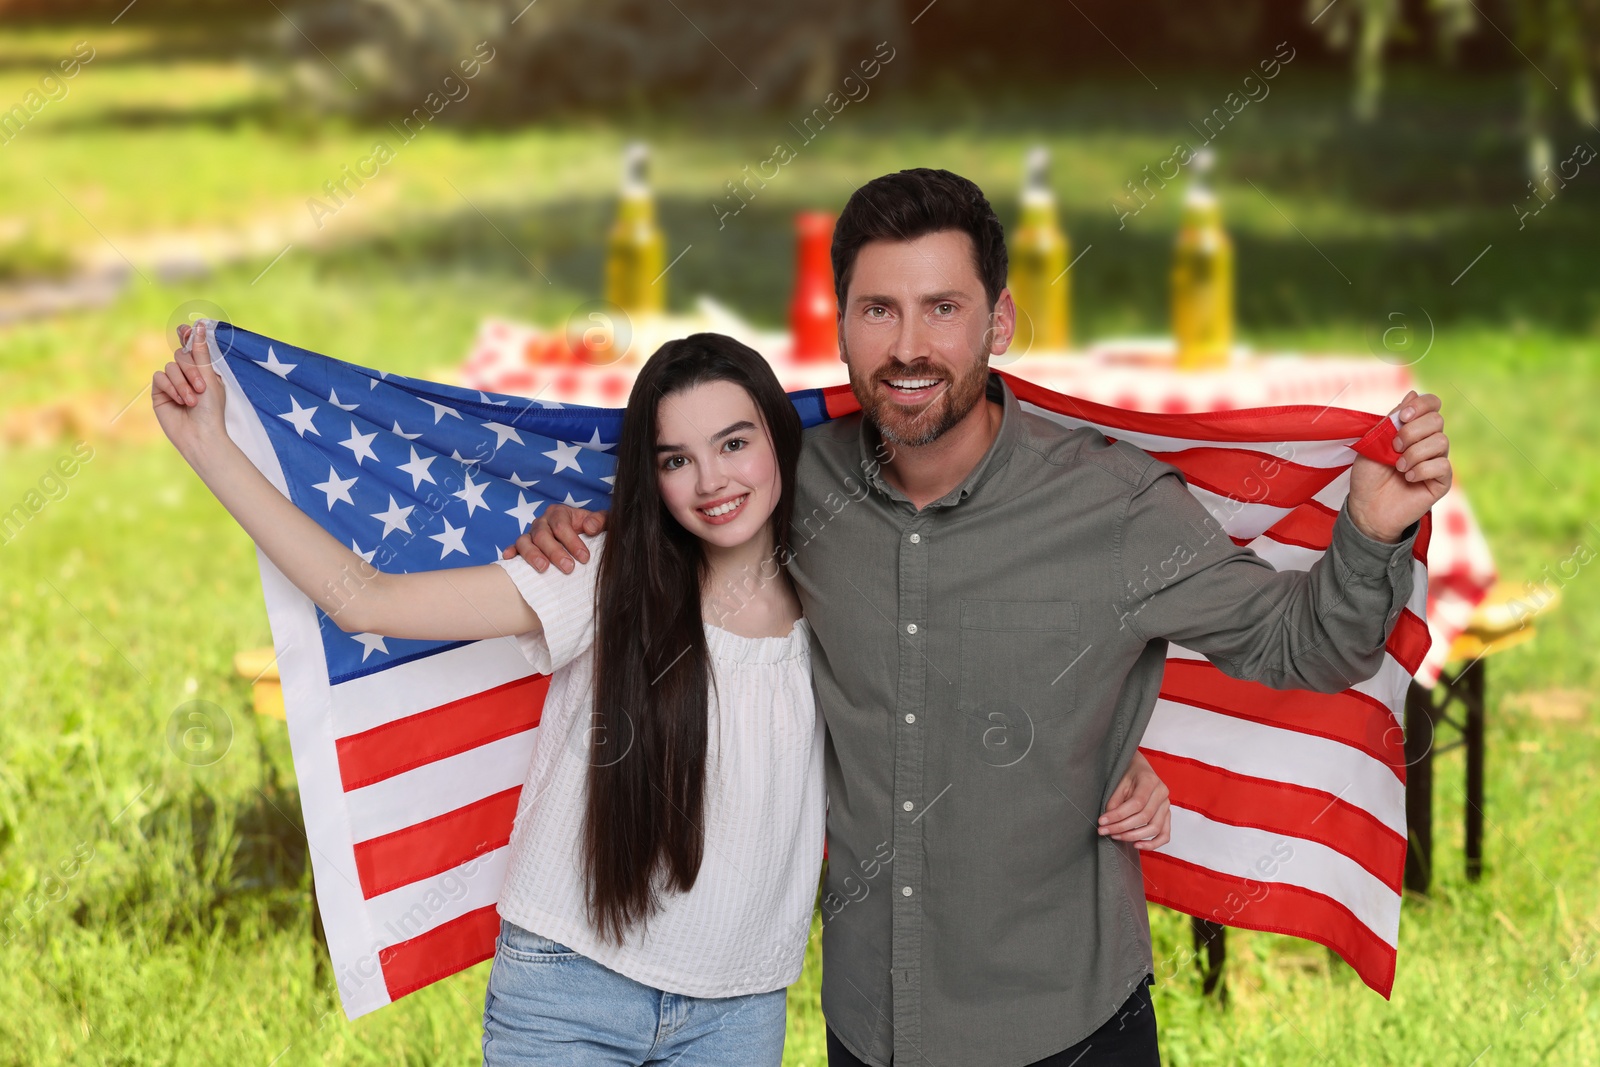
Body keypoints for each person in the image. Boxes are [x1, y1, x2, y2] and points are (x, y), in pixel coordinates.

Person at [507, 168, 1454, 1067]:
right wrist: (579, 529)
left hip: (1067, 1024)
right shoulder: (798, 487)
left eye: (942, 308)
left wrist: (1368, 530)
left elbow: (1315, 647)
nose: (908, 345)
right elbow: (690, 511)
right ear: (839, 327)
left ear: (998, 321)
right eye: (880, 309)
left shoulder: (1114, 508)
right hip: (870, 1027)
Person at [151, 323, 1170, 1067]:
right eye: (675, 457)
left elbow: (983, 701)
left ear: (780, 440)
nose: (710, 479)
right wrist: (209, 446)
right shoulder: (597, 576)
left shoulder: (850, 603)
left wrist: (1121, 756)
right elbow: (362, 595)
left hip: (736, 1015)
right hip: (565, 991)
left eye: (734, 442)